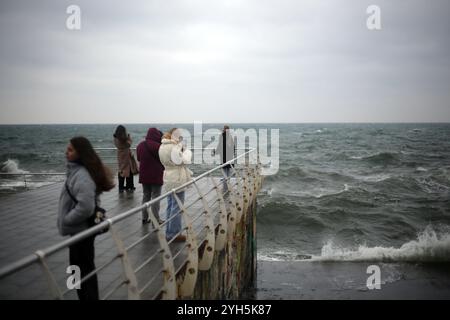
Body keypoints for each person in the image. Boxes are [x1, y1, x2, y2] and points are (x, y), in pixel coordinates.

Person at [57, 136, 115, 300]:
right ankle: (80, 295)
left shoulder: (82, 175)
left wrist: (67, 220)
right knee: (77, 268)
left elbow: (86, 206)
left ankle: (87, 297)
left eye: (70, 150)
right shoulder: (76, 171)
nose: (66, 152)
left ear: (80, 153)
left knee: (83, 269)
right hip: (77, 231)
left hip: (81, 231)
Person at [159, 128, 193, 242]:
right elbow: (185, 160)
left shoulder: (162, 146)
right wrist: (186, 151)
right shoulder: (173, 147)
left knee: (170, 205)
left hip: (168, 176)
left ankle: (169, 231)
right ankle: (174, 233)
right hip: (177, 178)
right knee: (177, 206)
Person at [137, 128, 165, 225]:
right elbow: (163, 159)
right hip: (156, 175)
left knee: (146, 196)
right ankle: (156, 220)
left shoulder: (140, 145)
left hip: (144, 176)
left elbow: (138, 158)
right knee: (156, 197)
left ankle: (144, 218)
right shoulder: (159, 147)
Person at [113, 125, 135, 193]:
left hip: (120, 155)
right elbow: (129, 144)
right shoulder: (124, 139)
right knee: (129, 171)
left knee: (121, 170)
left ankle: (121, 187)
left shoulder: (116, 138)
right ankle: (129, 186)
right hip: (126, 156)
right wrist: (129, 137)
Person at [214, 125, 236, 192]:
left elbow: (220, 145)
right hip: (229, 155)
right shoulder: (229, 136)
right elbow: (233, 145)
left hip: (224, 155)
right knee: (228, 169)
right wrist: (233, 153)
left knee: (224, 169)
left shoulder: (222, 136)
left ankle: (225, 184)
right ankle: (227, 182)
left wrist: (216, 152)